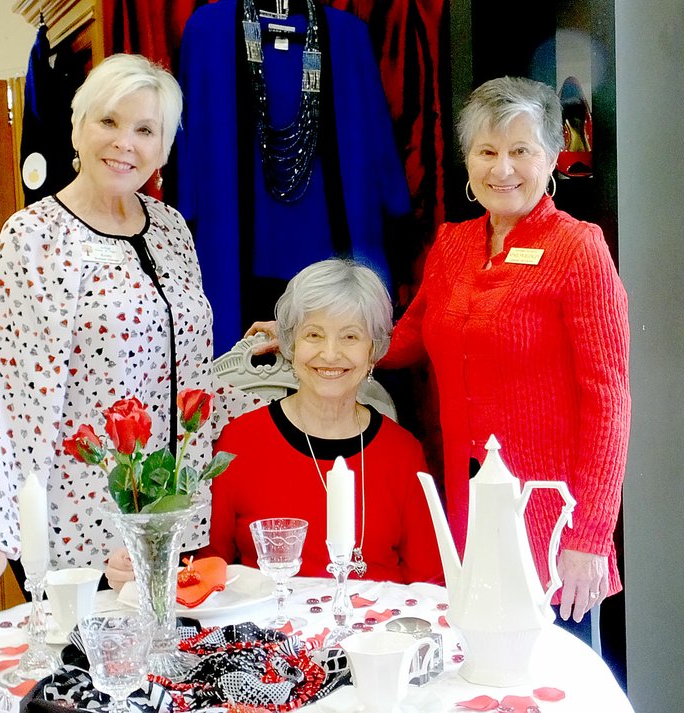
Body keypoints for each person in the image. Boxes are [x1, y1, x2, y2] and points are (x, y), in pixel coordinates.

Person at [0, 54, 254, 633]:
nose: (124, 143)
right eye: (109, 122)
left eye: (145, 130)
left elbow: (185, 378)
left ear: (164, 147)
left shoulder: (172, 229)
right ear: (77, 126)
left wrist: (264, 365)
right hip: (82, 526)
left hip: (169, 515)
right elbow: (9, 393)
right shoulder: (34, 237)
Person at [379, 76, 630, 646]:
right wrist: (321, 342)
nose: (503, 168)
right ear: (468, 161)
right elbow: (411, 335)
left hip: (550, 515)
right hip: (468, 504)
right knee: (478, 668)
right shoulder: (454, 243)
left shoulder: (577, 248)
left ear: (550, 157)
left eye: (521, 151)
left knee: (547, 676)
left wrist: (590, 537)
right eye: (487, 151)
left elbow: (609, 400)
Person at [201, 259, 443, 585]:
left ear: (374, 351)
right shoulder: (240, 442)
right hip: (270, 630)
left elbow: (430, 585)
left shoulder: (403, 452)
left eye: (350, 337)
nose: (330, 355)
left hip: (376, 631)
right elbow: (207, 574)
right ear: (291, 344)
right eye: (314, 335)